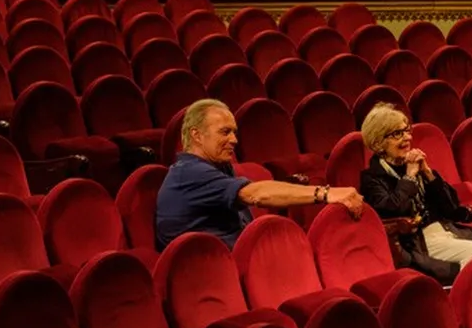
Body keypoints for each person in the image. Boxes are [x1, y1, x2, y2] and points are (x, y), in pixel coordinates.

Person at [156, 99, 364, 250]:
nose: (234, 140)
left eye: (234, 132)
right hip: (207, 275)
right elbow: (256, 194)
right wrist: (326, 194)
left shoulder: (217, 167)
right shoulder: (190, 172)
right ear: (196, 135)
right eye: (225, 132)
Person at [359, 103, 472, 284]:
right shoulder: (372, 178)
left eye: (407, 131)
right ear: (378, 142)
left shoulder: (417, 166)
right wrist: (409, 177)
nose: (407, 138)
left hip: (446, 230)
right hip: (417, 243)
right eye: (397, 134)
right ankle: (469, 304)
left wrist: (428, 174)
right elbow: (394, 208)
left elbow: (451, 206)